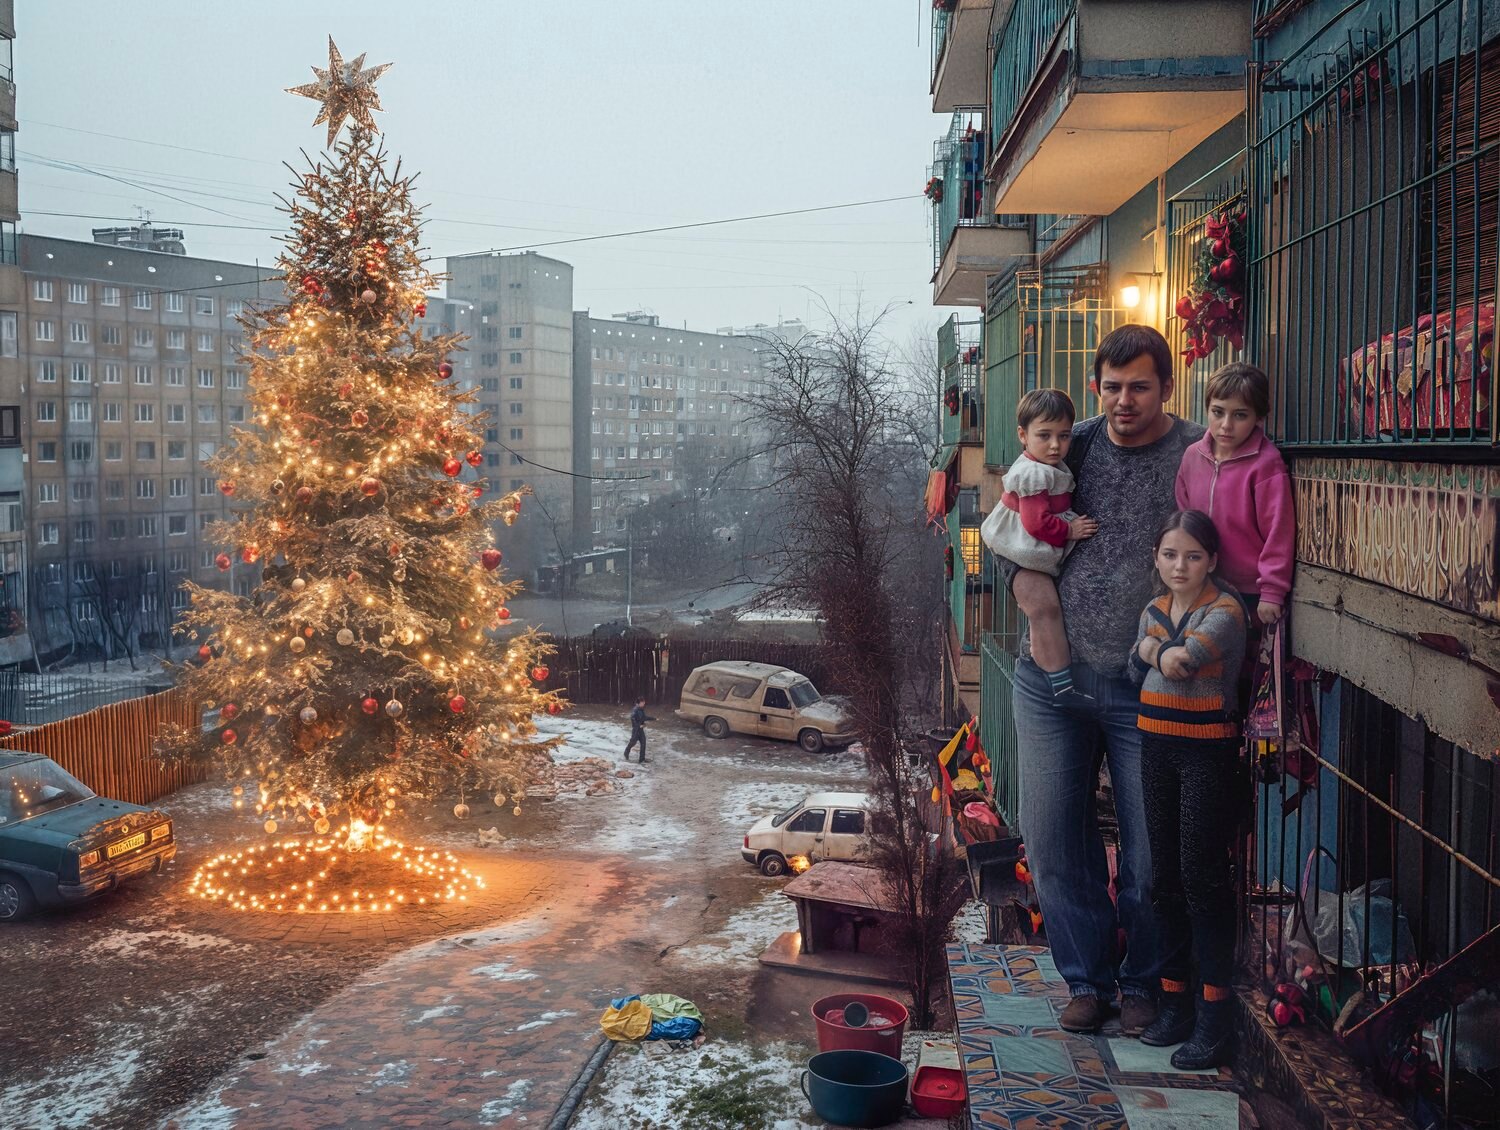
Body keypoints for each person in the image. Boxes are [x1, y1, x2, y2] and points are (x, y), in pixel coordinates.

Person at [1006, 324, 1204, 1036]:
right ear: (1097, 386)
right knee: (1055, 843)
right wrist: (1026, 586)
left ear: (1166, 388)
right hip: (1050, 683)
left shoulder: (1194, 453)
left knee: (1151, 855)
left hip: (1143, 686)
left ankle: (1144, 983)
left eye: (1140, 387)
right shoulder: (1071, 443)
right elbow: (1013, 521)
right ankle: (1087, 983)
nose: (1125, 400)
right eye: (1113, 386)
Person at [1129, 509, 1248, 1069]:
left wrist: (1154, 651)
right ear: (1157, 558)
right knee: (1164, 877)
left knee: (1202, 877)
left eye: (1193, 556)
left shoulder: (1225, 613)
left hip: (1206, 753)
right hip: (1157, 749)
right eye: (1171, 554)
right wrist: (1153, 652)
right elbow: (1141, 664)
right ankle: (1172, 1005)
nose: (1181, 565)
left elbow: (1179, 663)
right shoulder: (1154, 608)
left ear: (1213, 562)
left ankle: (1214, 1018)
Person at [980, 389, 1099, 700]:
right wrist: (1069, 530)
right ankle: (1059, 685)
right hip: (1020, 546)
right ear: (1023, 435)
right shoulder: (1032, 473)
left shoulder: (1047, 463)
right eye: (1044, 435)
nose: (1056, 445)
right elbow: (1035, 523)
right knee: (1045, 611)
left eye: (1064, 435)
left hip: (1032, 542)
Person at [1174, 362, 1295, 627]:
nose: (1226, 425)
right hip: (1202, 583)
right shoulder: (1193, 456)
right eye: (1218, 412)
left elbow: (1279, 531)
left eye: (1240, 415)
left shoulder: (1266, 463)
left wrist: (1272, 591)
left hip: (1251, 591)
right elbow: (1185, 520)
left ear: (1258, 418)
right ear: (1207, 409)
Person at [624, 697, 654, 763]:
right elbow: (632, 719)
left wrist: (653, 719)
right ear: (638, 703)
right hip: (636, 730)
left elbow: (644, 717)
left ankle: (642, 759)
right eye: (643, 703)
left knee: (643, 743)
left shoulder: (641, 709)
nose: (644, 704)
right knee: (633, 742)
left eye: (644, 703)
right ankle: (626, 751)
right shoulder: (635, 710)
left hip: (641, 730)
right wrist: (638, 725)